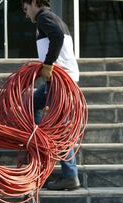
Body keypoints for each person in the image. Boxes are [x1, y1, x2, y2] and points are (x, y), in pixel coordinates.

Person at [22, 0, 80, 190]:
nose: (26, 14)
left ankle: (70, 175)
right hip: (58, 80)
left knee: (61, 128)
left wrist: (48, 64)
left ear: (32, 3)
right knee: (31, 104)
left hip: (60, 81)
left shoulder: (44, 17)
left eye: (25, 9)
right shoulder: (51, 18)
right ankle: (42, 137)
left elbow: (57, 37)